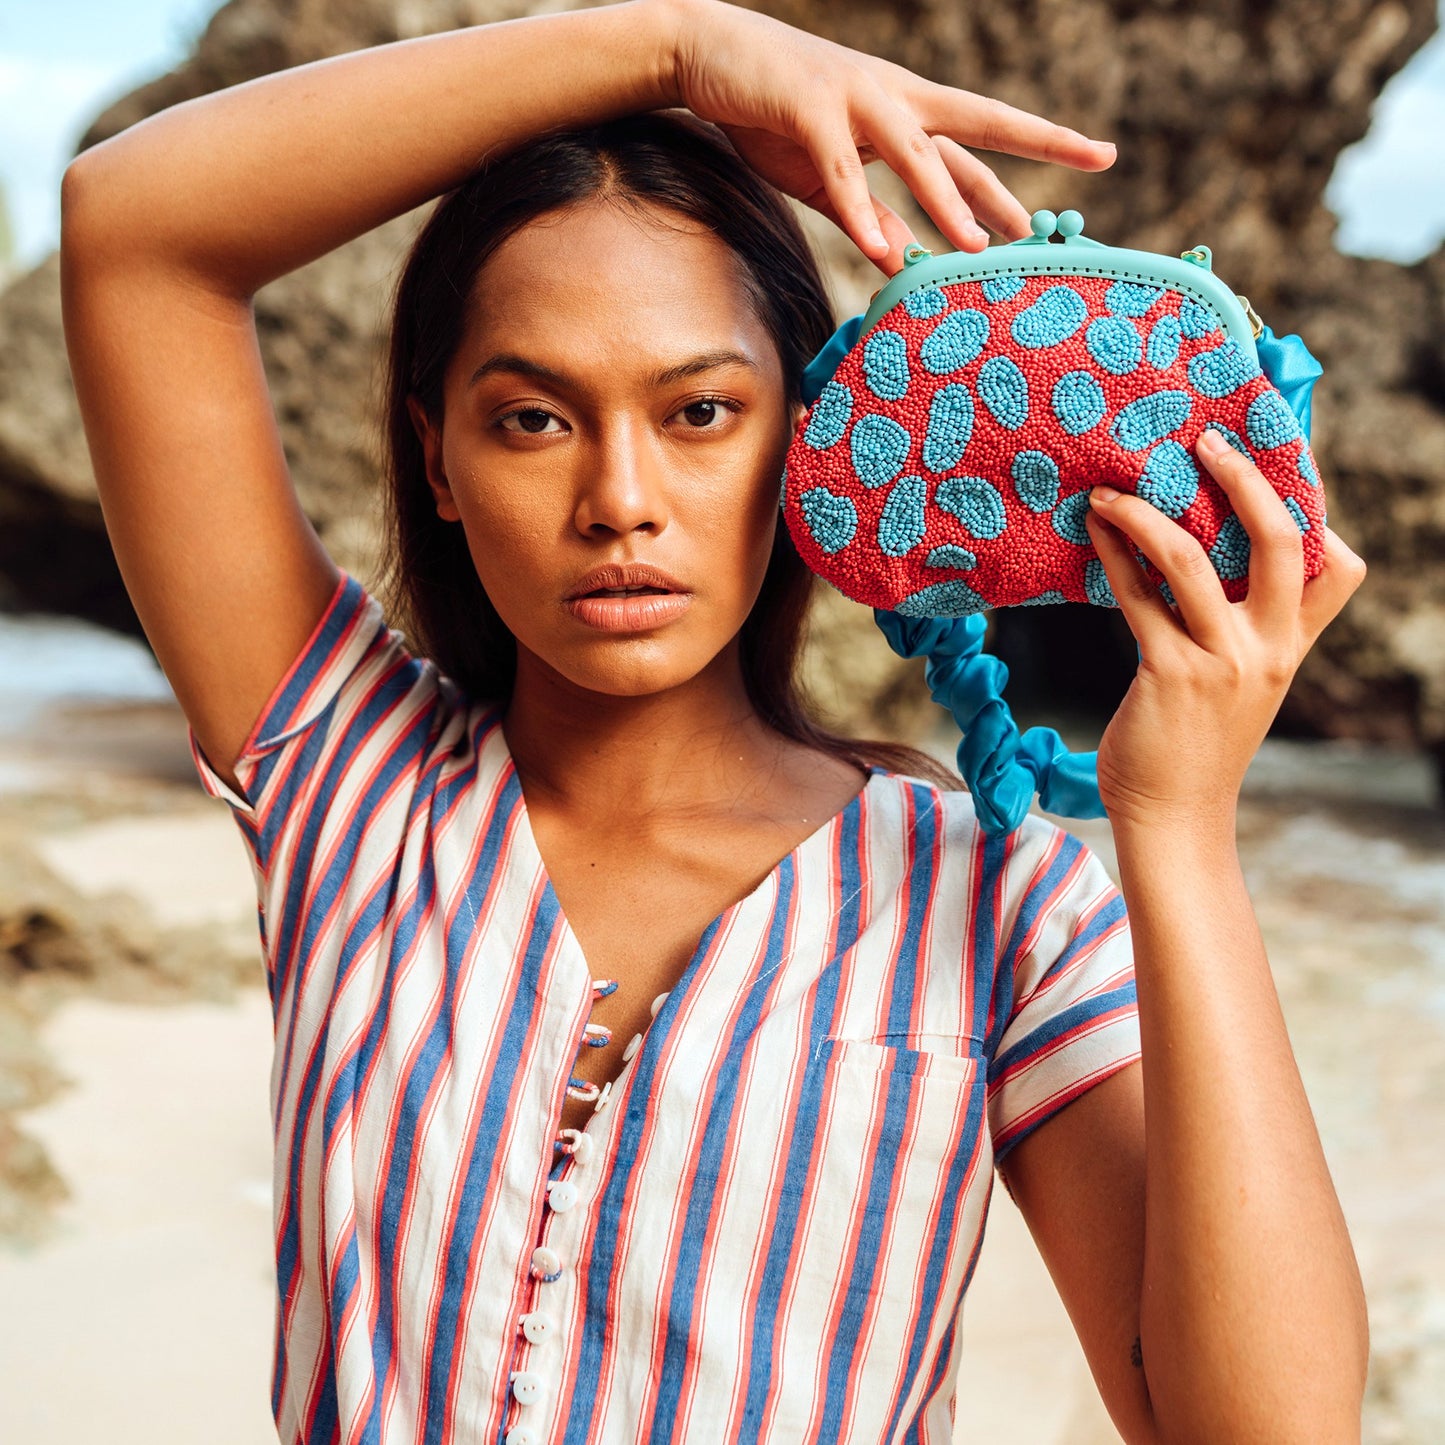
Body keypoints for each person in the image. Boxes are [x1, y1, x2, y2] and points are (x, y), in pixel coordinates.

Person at [58, 0, 1370, 1440]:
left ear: (804, 439)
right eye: (532, 419)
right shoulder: (349, 789)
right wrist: (673, 47)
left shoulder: (995, 904)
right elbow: (133, 230)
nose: (619, 498)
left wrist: (1177, 830)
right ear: (436, 463)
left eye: (697, 413)